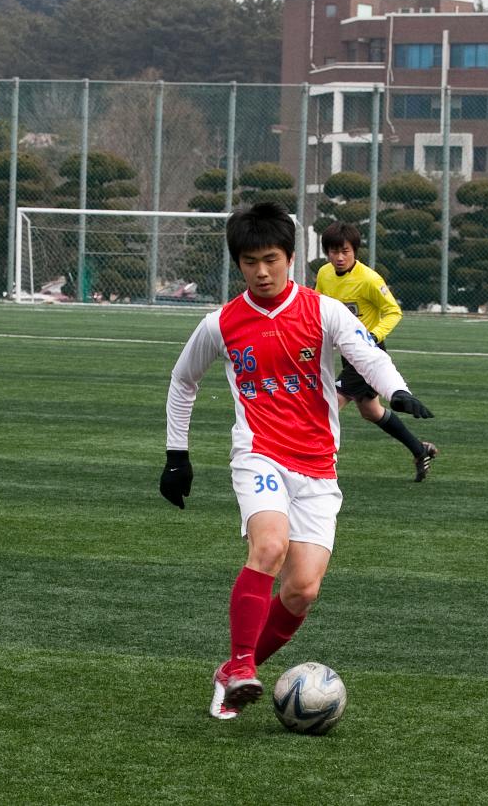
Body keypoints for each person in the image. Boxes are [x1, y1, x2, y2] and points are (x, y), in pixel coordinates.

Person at [159, 201, 433, 721]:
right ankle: (243, 665)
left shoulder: (323, 310)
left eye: (271, 259)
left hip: (318, 466)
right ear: (236, 264)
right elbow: (182, 382)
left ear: (291, 257)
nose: (261, 272)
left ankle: (231, 672)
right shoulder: (220, 323)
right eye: (249, 262)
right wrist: (177, 456)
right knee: (270, 545)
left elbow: (367, 353)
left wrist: (396, 392)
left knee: (303, 589)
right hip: (258, 452)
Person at [316, 223, 437, 481]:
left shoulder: (370, 279)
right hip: (348, 354)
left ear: (355, 251)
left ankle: (310, 466)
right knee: (370, 411)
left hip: (368, 353)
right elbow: (318, 305)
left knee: (328, 403)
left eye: (345, 251)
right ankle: (420, 449)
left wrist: (374, 335)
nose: (339, 257)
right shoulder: (324, 274)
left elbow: (393, 311)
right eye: (333, 251)